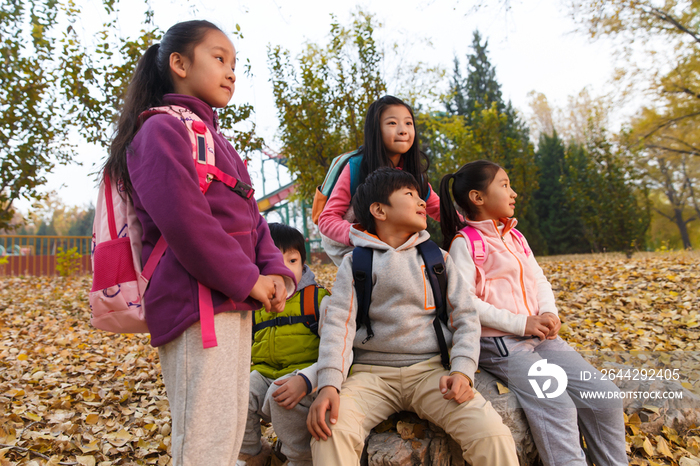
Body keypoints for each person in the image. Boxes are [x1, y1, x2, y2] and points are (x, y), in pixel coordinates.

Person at [103, 20, 296, 465]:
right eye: (219, 58)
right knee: (203, 445)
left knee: (226, 440)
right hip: (196, 306)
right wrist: (250, 278)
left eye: (235, 63)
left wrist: (275, 271)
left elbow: (252, 217)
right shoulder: (159, 131)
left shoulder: (219, 140)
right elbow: (186, 222)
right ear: (179, 64)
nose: (231, 72)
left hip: (231, 300)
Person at [307, 168, 519, 466]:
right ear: (379, 210)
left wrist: (461, 371)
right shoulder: (355, 262)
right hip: (370, 375)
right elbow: (338, 326)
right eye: (410, 195)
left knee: (491, 435)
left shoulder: (437, 259)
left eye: (421, 196)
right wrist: (329, 383)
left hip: (433, 372)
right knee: (331, 432)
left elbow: (466, 319)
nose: (422, 202)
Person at [439, 160, 628, 466]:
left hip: (541, 338)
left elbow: (538, 278)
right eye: (504, 185)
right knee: (557, 403)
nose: (513, 193)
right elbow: (465, 302)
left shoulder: (516, 237)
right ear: (477, 197)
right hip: (502, 344)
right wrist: (521, 322)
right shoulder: (465, 244)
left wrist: (549, 313)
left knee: (604, 396)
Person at [238, 223, 330, 466]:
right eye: (277, 262)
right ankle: (251, 452)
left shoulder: (316, 299)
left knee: (281, 394)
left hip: (305, 378)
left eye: (292, 261)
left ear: (303, 264)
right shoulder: (253, 305)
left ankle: (300, 458)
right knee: (240, 392)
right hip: (265, 373)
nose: (287, 270)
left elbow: (337, 349)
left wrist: (310, 377)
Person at [318, 95, 441, 265]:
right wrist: (359, 235)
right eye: (392, 123)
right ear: (376, 129)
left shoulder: (412, 174)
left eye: (408, 123)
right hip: (350, 242)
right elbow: (327, 219)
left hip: (389, 239)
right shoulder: (357, 166)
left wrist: (469, 225)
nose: (403, 130)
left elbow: (437, 207)